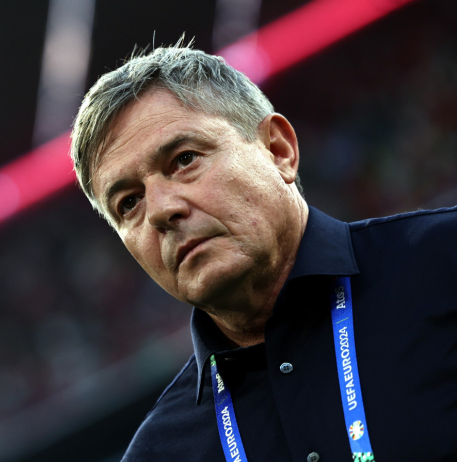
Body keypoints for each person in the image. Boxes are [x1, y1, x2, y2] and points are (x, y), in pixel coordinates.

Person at [69, 46, 457, 462]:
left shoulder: (445, 264)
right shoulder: (159, 453)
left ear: (278, 150)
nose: (161, 210)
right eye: (129, 203)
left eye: (184, 160)